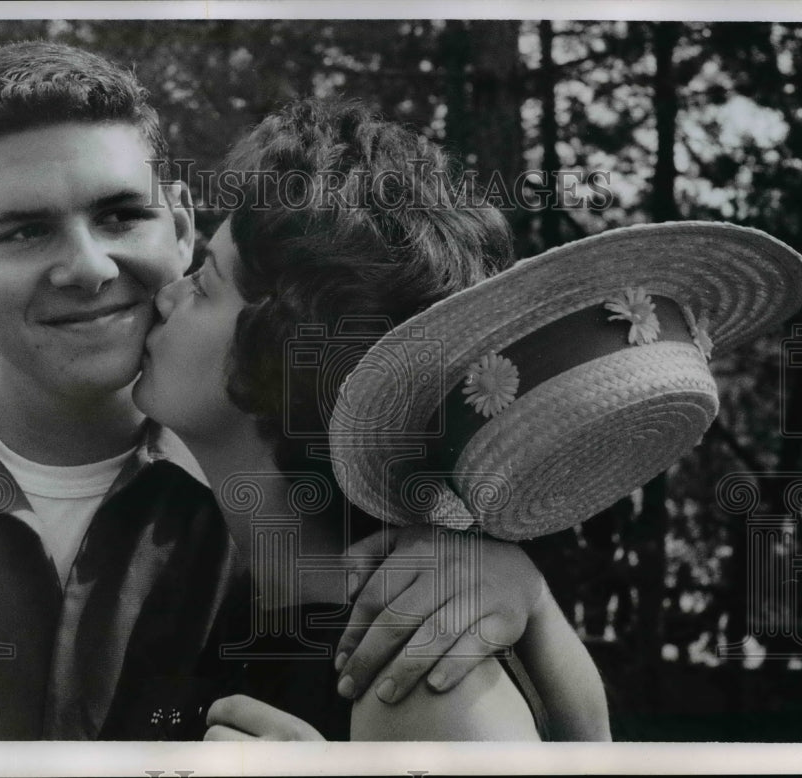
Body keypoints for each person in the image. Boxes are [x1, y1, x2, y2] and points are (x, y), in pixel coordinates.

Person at [0, 41, 606, 741]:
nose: (88, 268)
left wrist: (530, 600)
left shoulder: (412, 606)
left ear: (179, 225)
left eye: (119, 216)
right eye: (23, 231)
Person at [133, 98, 612, 740]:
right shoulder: (239, 601)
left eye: (204, 283)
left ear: (282, 357)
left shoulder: (421, 674)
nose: (167, 294)